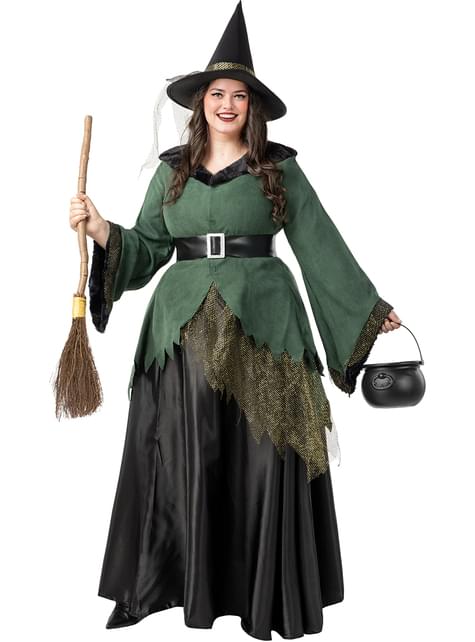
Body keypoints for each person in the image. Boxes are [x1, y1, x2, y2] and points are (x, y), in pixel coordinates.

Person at [69, 2, 401, 639]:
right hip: (182, 331)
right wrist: (101, 228)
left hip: (267, 327)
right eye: (217, 94)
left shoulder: (279, 168)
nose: (227, 104)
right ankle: (157, 584)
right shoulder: (171, 173)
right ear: (201, 102)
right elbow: (146, 249)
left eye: (239, 96)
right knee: (183, 452)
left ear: (252, 107)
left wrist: (369, 309)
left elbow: (319, 245)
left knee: (264, 456)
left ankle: (266, 595)